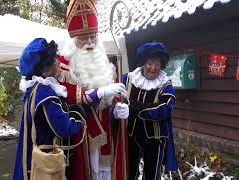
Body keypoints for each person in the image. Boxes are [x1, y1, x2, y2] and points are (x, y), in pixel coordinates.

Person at [57, 0, 130, 179]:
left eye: (93, 36)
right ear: (73, 40)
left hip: (106, 129)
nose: (90, 42)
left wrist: (118, 107)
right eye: (84, 37)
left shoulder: (103, 60)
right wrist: (95, 94)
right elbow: (66, 97)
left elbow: (111, 93)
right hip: (80, 135)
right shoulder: (62, 64)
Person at [13, 38, 85, 180]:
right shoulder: (45, 93)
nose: (58, 61)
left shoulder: (34, 89)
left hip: (31, 155)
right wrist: (79, 116)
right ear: (45, 69)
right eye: (54, 59)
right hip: (42, 162)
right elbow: (63, 129)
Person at [123, 42, 178, 180]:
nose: (153, 68)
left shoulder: (166, 85)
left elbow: (164, 108)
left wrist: (135, 108)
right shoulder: (128, 79)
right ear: (143, 63)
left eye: (157, 64)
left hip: (155, 137)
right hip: (130, 134)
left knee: (152, 174)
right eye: (150, 63)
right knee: (129, 171)